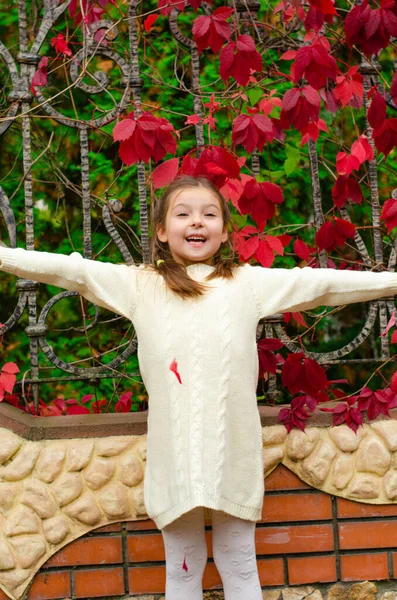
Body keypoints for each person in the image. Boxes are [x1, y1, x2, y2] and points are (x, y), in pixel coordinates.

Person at [1, 175, 397, 600]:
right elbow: (73, 271)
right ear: (161, 230)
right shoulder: (140, 286)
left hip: (235, 453)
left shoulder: (247, 284)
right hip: (175, 456)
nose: (197, 222)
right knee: (184, 565)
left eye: (210, 214)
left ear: (224, 231)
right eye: (184, 214)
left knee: (239, 561)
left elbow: (322, 285)